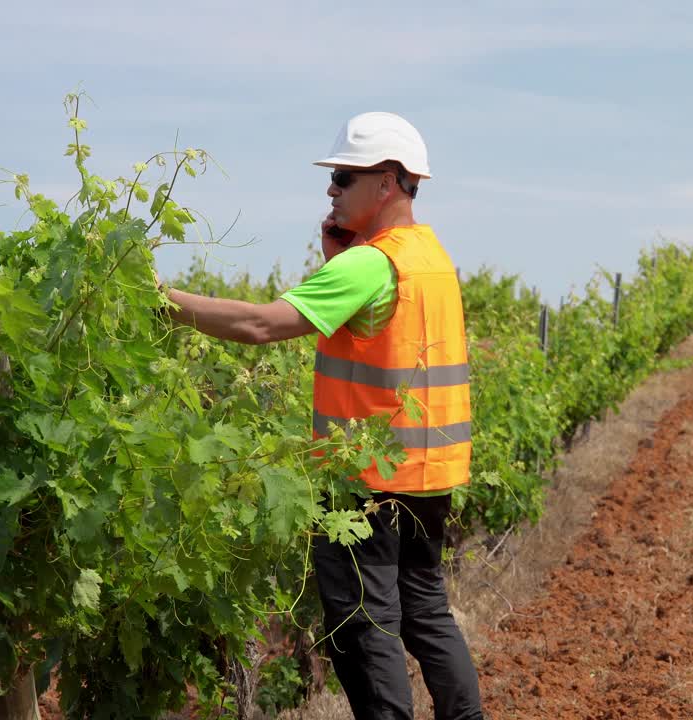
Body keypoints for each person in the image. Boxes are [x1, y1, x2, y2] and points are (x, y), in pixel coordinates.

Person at [160, 112, 484, 720]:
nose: (330, 189)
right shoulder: (430, 256)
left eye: (342, 176)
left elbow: (260, 325)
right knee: (426, 613)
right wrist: (343, 250)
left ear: (386, 182)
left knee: (367, 624)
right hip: (429, 472)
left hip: (363, 480)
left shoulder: (369, 266)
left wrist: (165, 303)